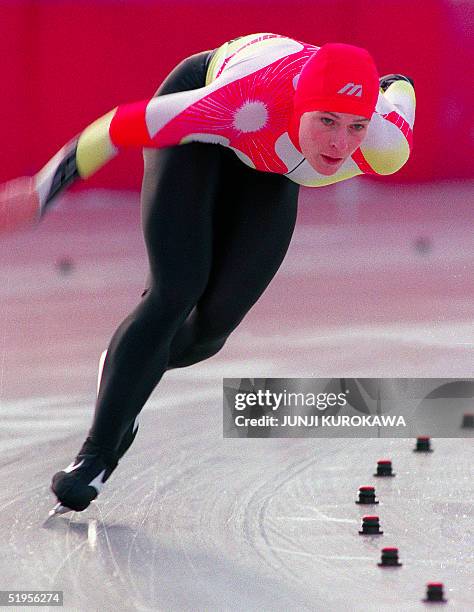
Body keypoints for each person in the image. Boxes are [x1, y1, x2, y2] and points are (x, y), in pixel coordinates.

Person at [0, 33, 416, 513]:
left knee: (210, 331)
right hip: (216, 129)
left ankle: (128, 364)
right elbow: (116, 128)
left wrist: (386, 91)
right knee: (176, 289)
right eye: (326, 121)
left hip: (273, 163)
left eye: (355, 126)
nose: (340, 144)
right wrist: (41, 190)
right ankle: (96, 455)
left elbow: (400, 85)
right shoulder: (232, 103)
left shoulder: (386, 145)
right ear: (302, 105)